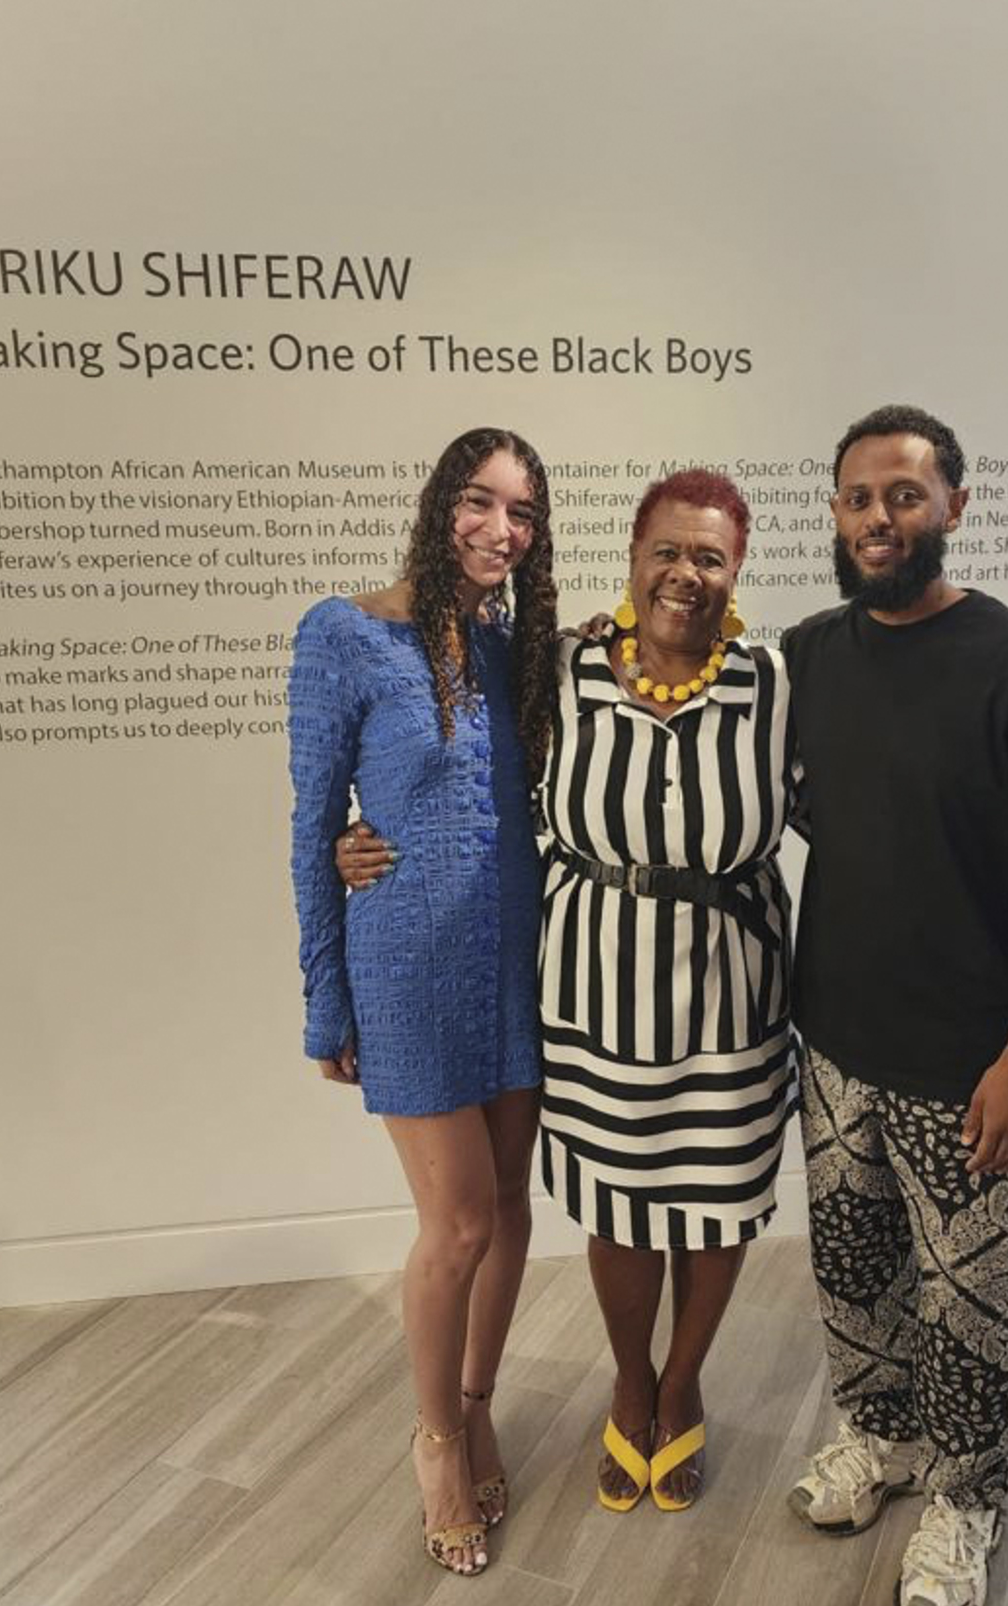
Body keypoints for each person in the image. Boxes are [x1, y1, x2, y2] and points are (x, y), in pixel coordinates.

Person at [339, 470, 797, 1513]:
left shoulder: (774, 682)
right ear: (633, 557)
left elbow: (846, 805)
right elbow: (468, 779)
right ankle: (628, 1385)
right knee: (622, 1206)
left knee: (718, 1203)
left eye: (712, 555)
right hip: (594, 988)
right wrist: (356, 836)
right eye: (668, 551)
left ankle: (682, 1390)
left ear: (738, 569)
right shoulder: (567, 667)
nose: (688, 572)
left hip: (734, 988)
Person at [784, 403, 1008, 1606]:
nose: (882, 518)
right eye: (861, 497)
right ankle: (874, 1438)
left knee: (972, 1302)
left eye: (907, 496)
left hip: (973, 1065)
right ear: (835, 513)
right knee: (853, 1268)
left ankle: (964, 1501)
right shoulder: (808, 654)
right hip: (834, 1046)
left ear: (955, 509)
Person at [288, 426, 557, 1577]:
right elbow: (313, 828)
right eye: (481, 500)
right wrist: (324, 1001)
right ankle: (436, 1437)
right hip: (405, 965)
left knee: (509, 1208)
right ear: (439, 501)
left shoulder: (516, 650)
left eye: (525, 512)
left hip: (518, 963)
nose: (502, 529)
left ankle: (481, 1396)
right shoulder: (346, 634)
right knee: (454, 1227)